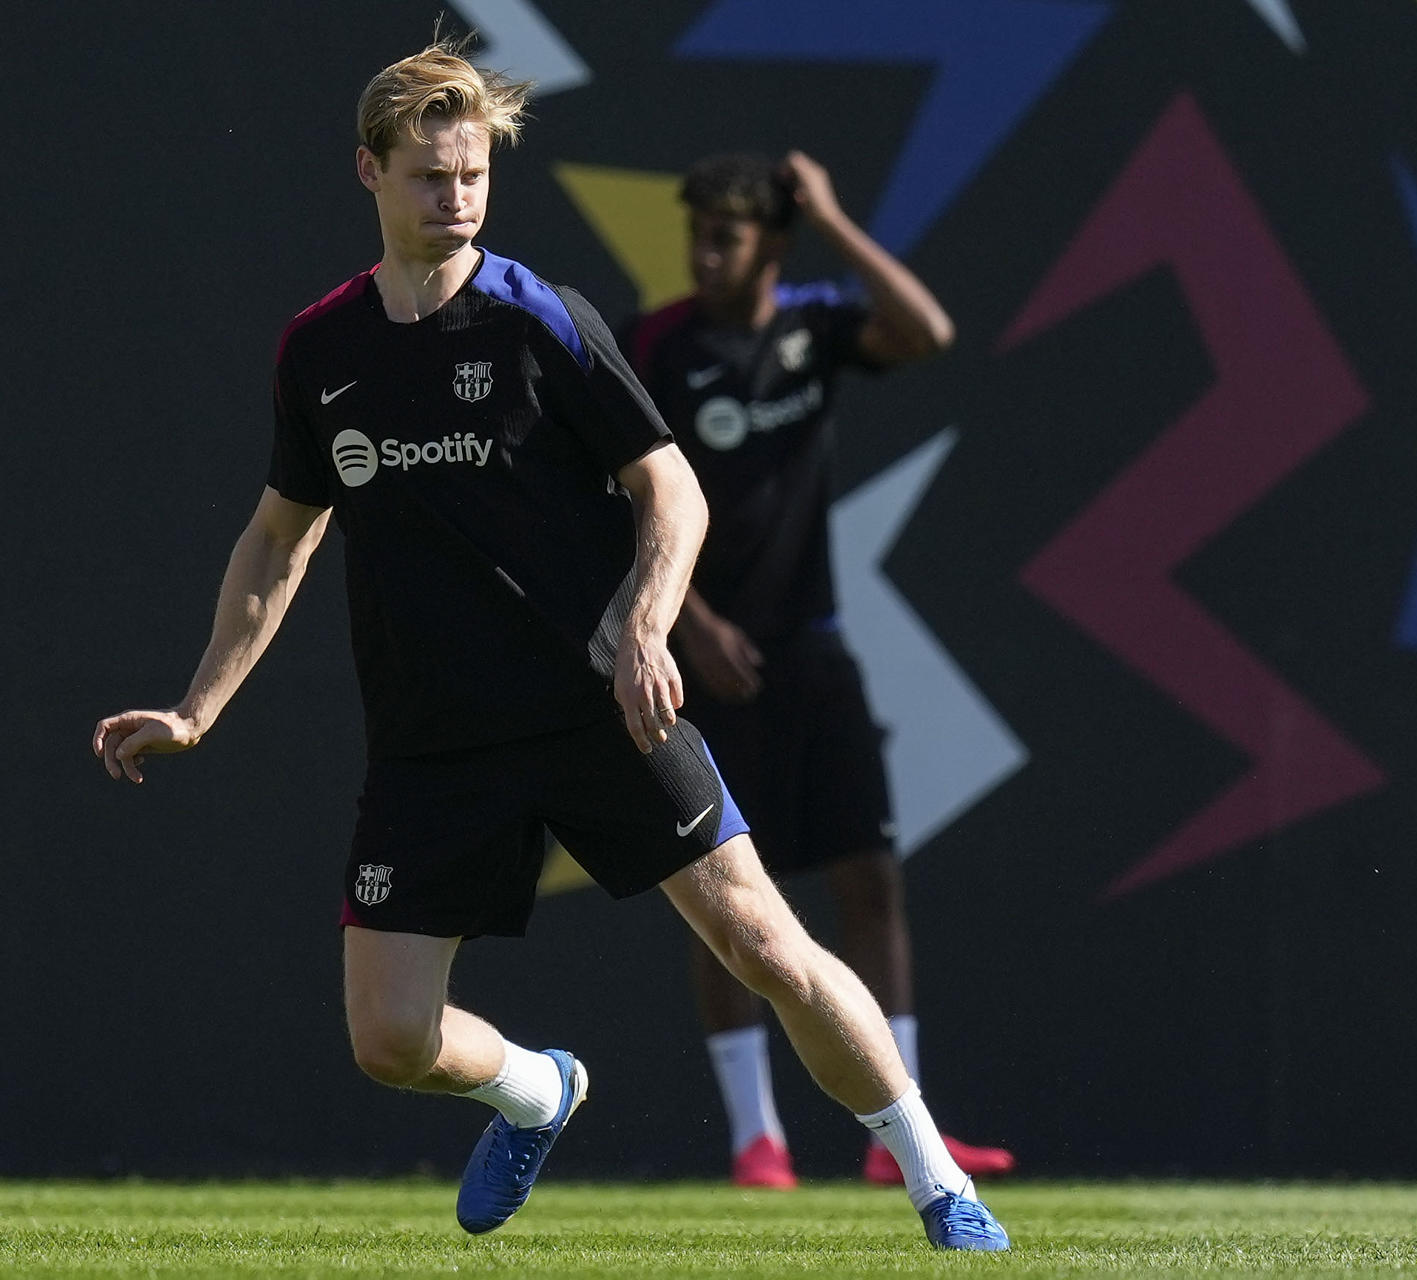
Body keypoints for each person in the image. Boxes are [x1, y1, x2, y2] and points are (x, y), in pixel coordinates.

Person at [89, 38, 1008, 1252]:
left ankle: (939, 1179)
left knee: (764, 937)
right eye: (428, 174)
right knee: (390, 1042)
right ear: (367, 172)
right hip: (434, 738)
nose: (456, 196)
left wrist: (641, 617)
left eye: (473, 173)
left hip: (598, 707)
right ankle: (537, 1088)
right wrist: (199, 705)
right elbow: (277, 542)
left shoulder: (541, 320)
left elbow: (673, 490)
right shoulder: (322, 350)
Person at [620, 153, 1015, 1189]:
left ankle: (901, 1137)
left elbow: (927, 332)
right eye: (697, 234)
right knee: (727, 901)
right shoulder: (658, 344)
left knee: (868, 879)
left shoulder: (813, 325)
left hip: (812, 650)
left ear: (772, 245)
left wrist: (835, 218)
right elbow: (612, 493)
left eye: (728, 236)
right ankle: (757, 1139)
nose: (707, 254)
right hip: (700, 661)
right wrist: (690, 621)